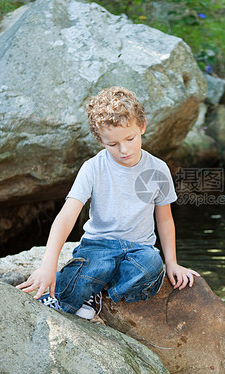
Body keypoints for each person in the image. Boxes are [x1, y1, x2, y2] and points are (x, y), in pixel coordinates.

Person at [17, 86, 199, 319]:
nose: (124, 150)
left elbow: (164, 219)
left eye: (130, 139)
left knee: (152, 264)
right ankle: (71, 291)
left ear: (142, 126)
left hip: (138, 248)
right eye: (112, 144)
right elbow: (67, 216)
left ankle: (97, 290)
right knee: (97, 265)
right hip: (99, 245)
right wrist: (47, 265)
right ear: (99, 140)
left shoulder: (158, 169)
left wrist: (172, 262)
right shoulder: (93, 168)